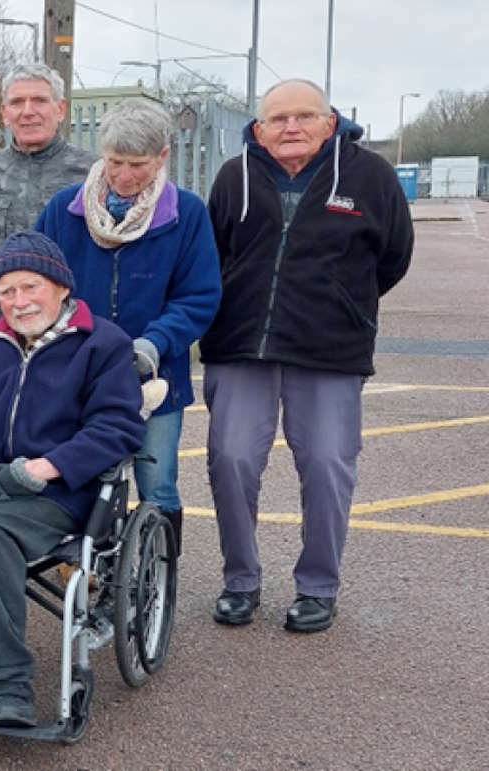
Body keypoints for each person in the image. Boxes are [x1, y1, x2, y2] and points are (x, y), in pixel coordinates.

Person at [202, 78, 413, 632]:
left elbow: (393, 257)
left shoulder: (371, 177)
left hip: (329, 350)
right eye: (277, 119)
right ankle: (240, 581)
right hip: (241, 344)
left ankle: (318, 586)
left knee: (326, 466)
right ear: (259, 129)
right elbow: (214, 254)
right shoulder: (234, 177)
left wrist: (344, 305)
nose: (290, 127)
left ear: (329, 121)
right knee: (231, 460)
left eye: (303, 117)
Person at [0, 232, 145, 728]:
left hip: (58, 491)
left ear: (61, 287)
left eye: (30, 287)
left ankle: (8, 684)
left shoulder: (102, 343)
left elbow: (118, 427)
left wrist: (46, 466)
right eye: (7, 292)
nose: (19, 302)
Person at [35, 100, 221, 554]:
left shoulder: (187, 214)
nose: (122, 176)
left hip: (155, 378)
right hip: (78, 372)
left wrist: (155, 343)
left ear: (162, 156)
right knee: (83, 474)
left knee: (156, 484)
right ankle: (90, 567)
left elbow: (198, 296)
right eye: (115, 162)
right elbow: (39, 283)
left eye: (137, 165)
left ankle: (160, 579)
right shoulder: (66, 210)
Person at [0, 63, 97, 328]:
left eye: (39, 100)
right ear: (4, 113)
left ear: (60, 110)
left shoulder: (92, 173)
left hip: (69, 323)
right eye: (17, 102)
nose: (28, 111)